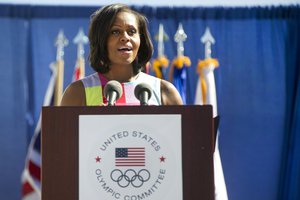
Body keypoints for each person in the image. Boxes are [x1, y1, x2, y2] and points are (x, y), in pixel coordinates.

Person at [60, 3, 182, 106]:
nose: (125, 37)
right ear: (101, 40)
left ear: (141, 40)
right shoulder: (78, 92)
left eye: (131, 31)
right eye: (115, 32)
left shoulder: (163, 91)